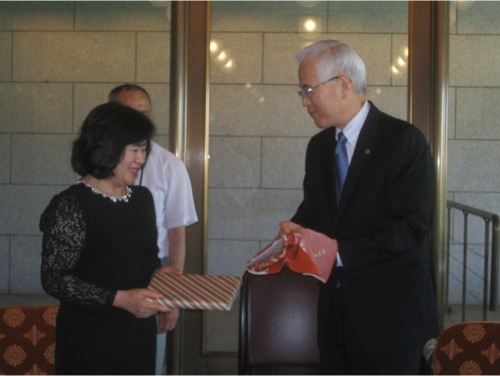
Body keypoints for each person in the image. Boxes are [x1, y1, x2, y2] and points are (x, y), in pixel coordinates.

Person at [279, 40, 439, 374]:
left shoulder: (403, 141)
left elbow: (410, 227)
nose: (304, 102)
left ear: (343, 84)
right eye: (301, 93)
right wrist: (296, 229)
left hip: (390, 317)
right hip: (335, 313)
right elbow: (315, 210)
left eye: (308, 90)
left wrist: (338, 251)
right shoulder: (320, 147)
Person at [40, 102, 179, 375]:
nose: (141, 159)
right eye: (135, 150)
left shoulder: (142, 199)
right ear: (107, 147)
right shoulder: (71, 204)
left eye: (144, 150)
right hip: (90, 338)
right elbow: (54, 278)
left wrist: (161, 275)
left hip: (137, 333)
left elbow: (144, 261)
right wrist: (120, 299)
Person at [108, 84, 198, 374]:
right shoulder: (97, 165)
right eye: (128, 114)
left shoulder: (169, 165)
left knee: (147, 360)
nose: (138, 121)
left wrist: (173, 295)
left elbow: (177, 232)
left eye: (144, 114)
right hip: (105, 274)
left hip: (153, 271)